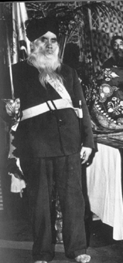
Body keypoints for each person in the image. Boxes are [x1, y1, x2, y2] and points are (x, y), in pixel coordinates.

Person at [5, 16, 94, 263]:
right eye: (44, 39)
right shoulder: (16, 73)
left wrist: (88, 142)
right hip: (36, 146)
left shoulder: (68, 72)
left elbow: (81, 109)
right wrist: (8, 109)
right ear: (33, 43)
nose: (50, 44)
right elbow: (6, 111)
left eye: (54, 40)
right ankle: (42, 253)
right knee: (40, 203)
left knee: (74, 200)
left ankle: (77, 250)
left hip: (69, 144)